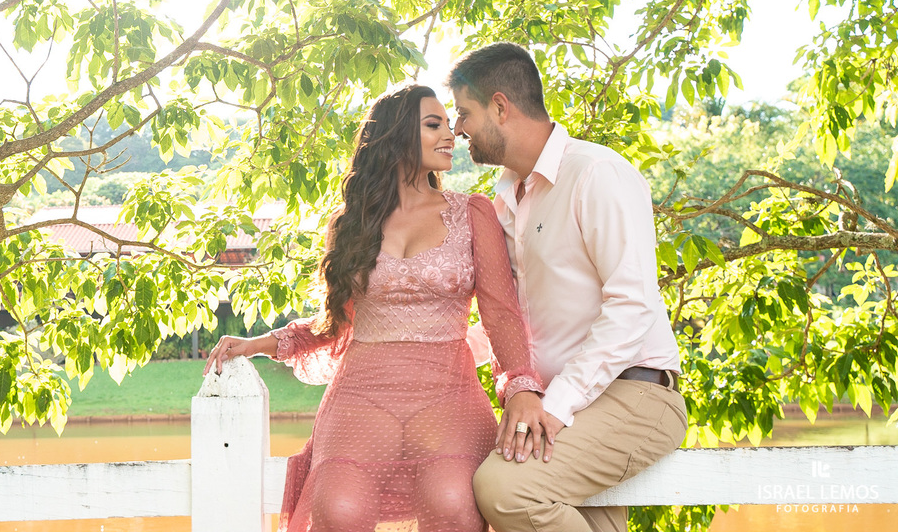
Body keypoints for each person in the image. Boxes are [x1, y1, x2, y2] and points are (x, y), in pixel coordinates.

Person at [204, 84, 544, 532]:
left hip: (447, 394)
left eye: (449, 123)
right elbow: (335, 324)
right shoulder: (351, 223)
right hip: (361, 395)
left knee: (453, 502)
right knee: (339, 508)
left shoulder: (474, 213)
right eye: (433, 124)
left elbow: (500, 313)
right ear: (395, 136)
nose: (451, 134)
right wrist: (260, 343)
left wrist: (520, 386)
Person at [448, 42, 687, 532]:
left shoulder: (597, 174)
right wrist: (430, 351)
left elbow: (632, 305)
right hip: (569, 403)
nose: (457, 130)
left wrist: (555, 407)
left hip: (635, 394)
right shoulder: (505, 194)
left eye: (463, 112)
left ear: (500, 106)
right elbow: (508, 314)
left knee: (504, 489)